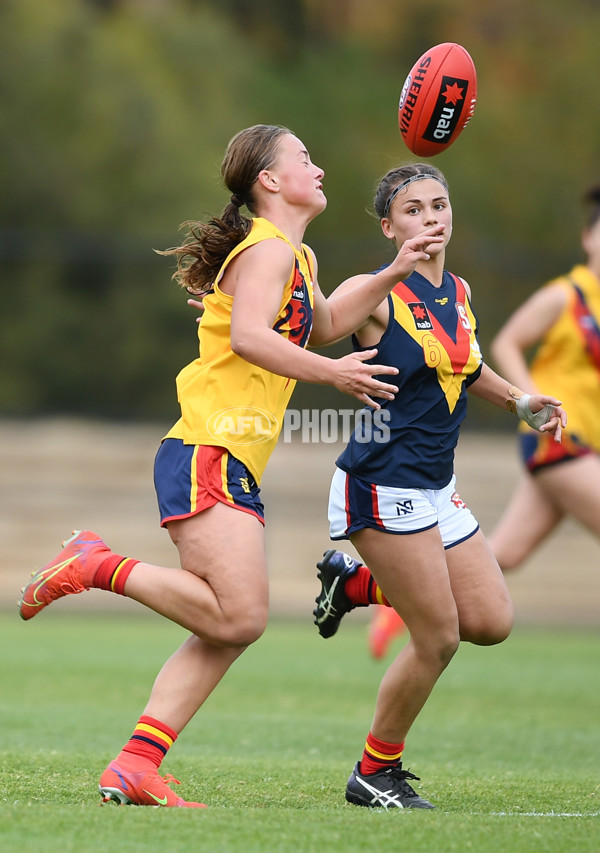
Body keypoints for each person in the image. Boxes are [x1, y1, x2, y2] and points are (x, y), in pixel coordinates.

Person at [18, 125, 446, 809]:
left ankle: (137, 762)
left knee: (227, 622)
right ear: (271, 181)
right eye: (306, 158)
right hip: (207, 450)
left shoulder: (292, 255)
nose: (320, 165)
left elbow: (327, 320)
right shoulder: (269, 249)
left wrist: (394, 273)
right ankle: (95, 562)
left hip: (224, 455)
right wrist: (331, 374)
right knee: (240, 617)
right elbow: (250, 336)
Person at [312, 162, 566, 810]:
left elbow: (467, 363)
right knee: (439, 636)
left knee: (490, 620)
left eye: (438, 205)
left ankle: (355, 584)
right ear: (389, 224)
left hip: (435, 484)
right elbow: (322, 329)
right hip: (379, 481)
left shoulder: (457, 289)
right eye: (415, 209)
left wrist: (520, 400)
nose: (431, 217)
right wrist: (393, 269)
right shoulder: (376, 289)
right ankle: (374, 771)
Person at [486, 185, 600, 571]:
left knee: (501, 557)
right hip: (560, 441)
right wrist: (530, 402)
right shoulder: (566, 295)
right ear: (588, 238)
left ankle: (380, 589)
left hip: (588, 450)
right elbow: (507, 343)